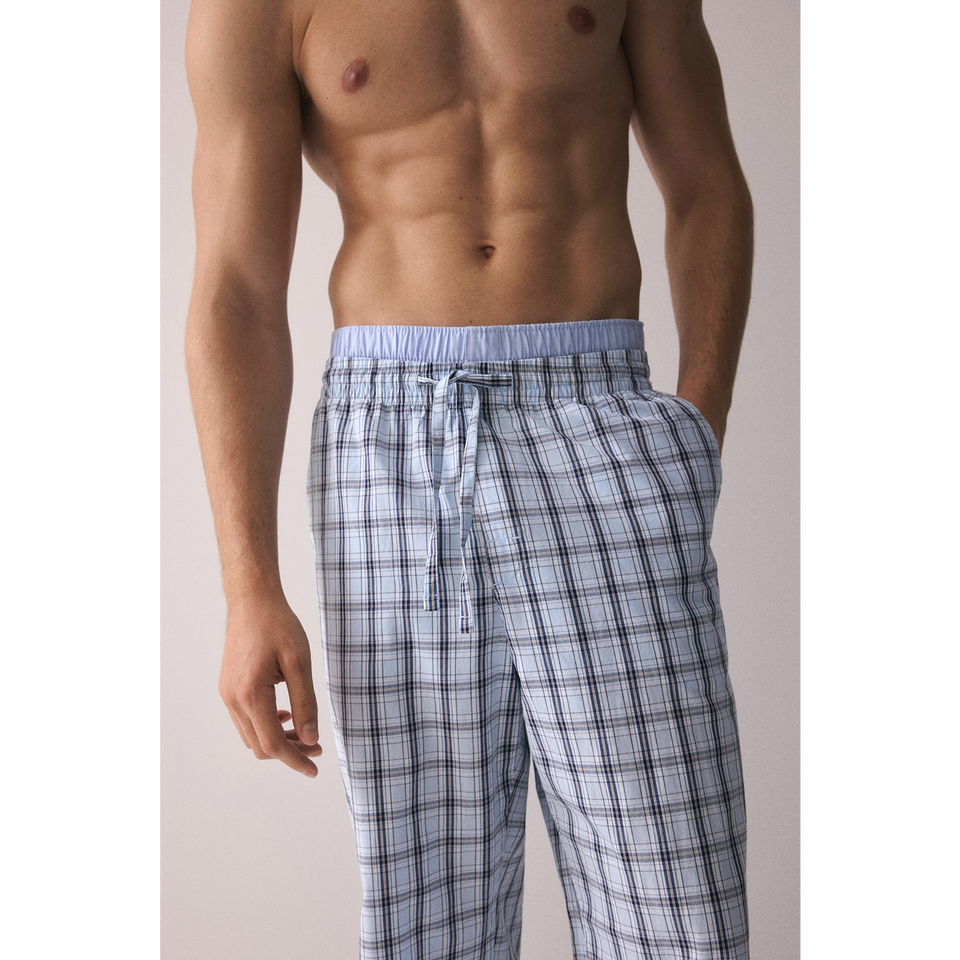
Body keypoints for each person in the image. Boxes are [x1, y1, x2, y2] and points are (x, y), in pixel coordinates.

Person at [185, 0, 753, 957]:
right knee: (425, 919)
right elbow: (236, 289)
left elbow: (708, 185)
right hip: (388, 442)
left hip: (598, 413)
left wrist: (698, 425)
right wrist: (249, 587)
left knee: (675, 904)